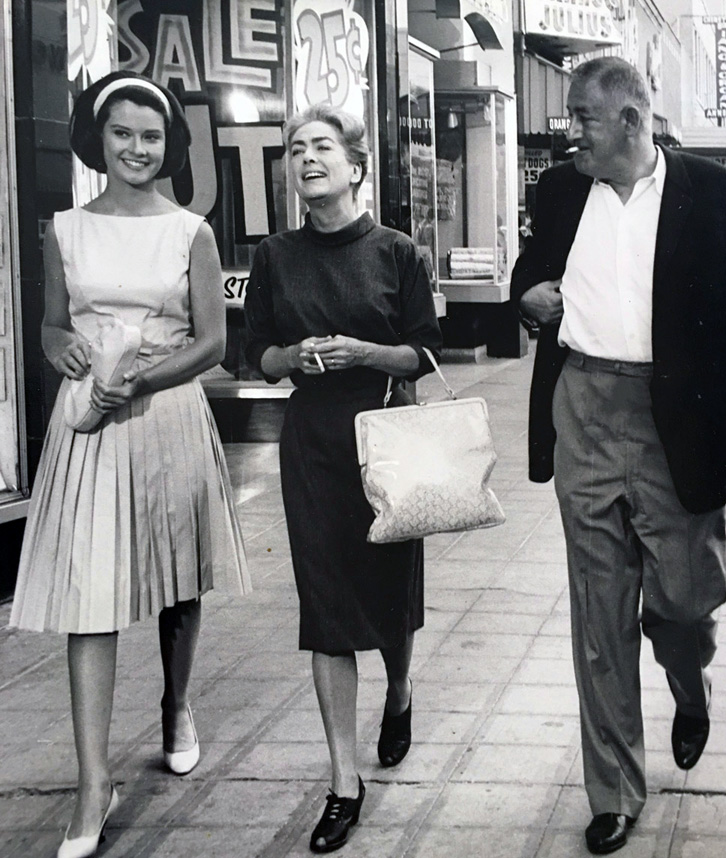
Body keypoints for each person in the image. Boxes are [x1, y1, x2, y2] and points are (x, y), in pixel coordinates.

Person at [510, 57, 726, 855]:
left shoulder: (715, 197)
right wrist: (527, 296)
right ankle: (613, 790)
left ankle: (689, 683)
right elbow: (534, 274)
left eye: (581, 116)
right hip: (583, 407)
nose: (567, 128)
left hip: (675, 418)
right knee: (597, 612)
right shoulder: (559, 190)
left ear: (631, 121)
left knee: (683, 604)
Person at [9, 71, 250, 858]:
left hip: (165, 411)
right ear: (97, 138)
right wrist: (61, 347)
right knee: (91, 593)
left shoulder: (191, 231)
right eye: (123, 133)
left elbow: (213, 343)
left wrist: (142, 377)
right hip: (88, 423)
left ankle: (177, 705)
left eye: (152, 136)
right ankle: (91, 783)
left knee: (174, 583)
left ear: (169, 145)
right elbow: (49, 327)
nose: (137, 149)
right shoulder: (65, 229)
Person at [244, 104, 442, 853]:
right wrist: (291, 361)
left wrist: (363, 352)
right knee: (325, 606)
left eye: (322, 146)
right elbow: (255, 351)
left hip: (386, 436)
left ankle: (399, 690)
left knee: (389, 596)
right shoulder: (274, 256)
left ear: (356, 166)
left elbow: (425, 354)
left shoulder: (396, 251)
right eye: (295, 149)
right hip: (313, 442)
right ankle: (342, 781)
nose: (306, 159)